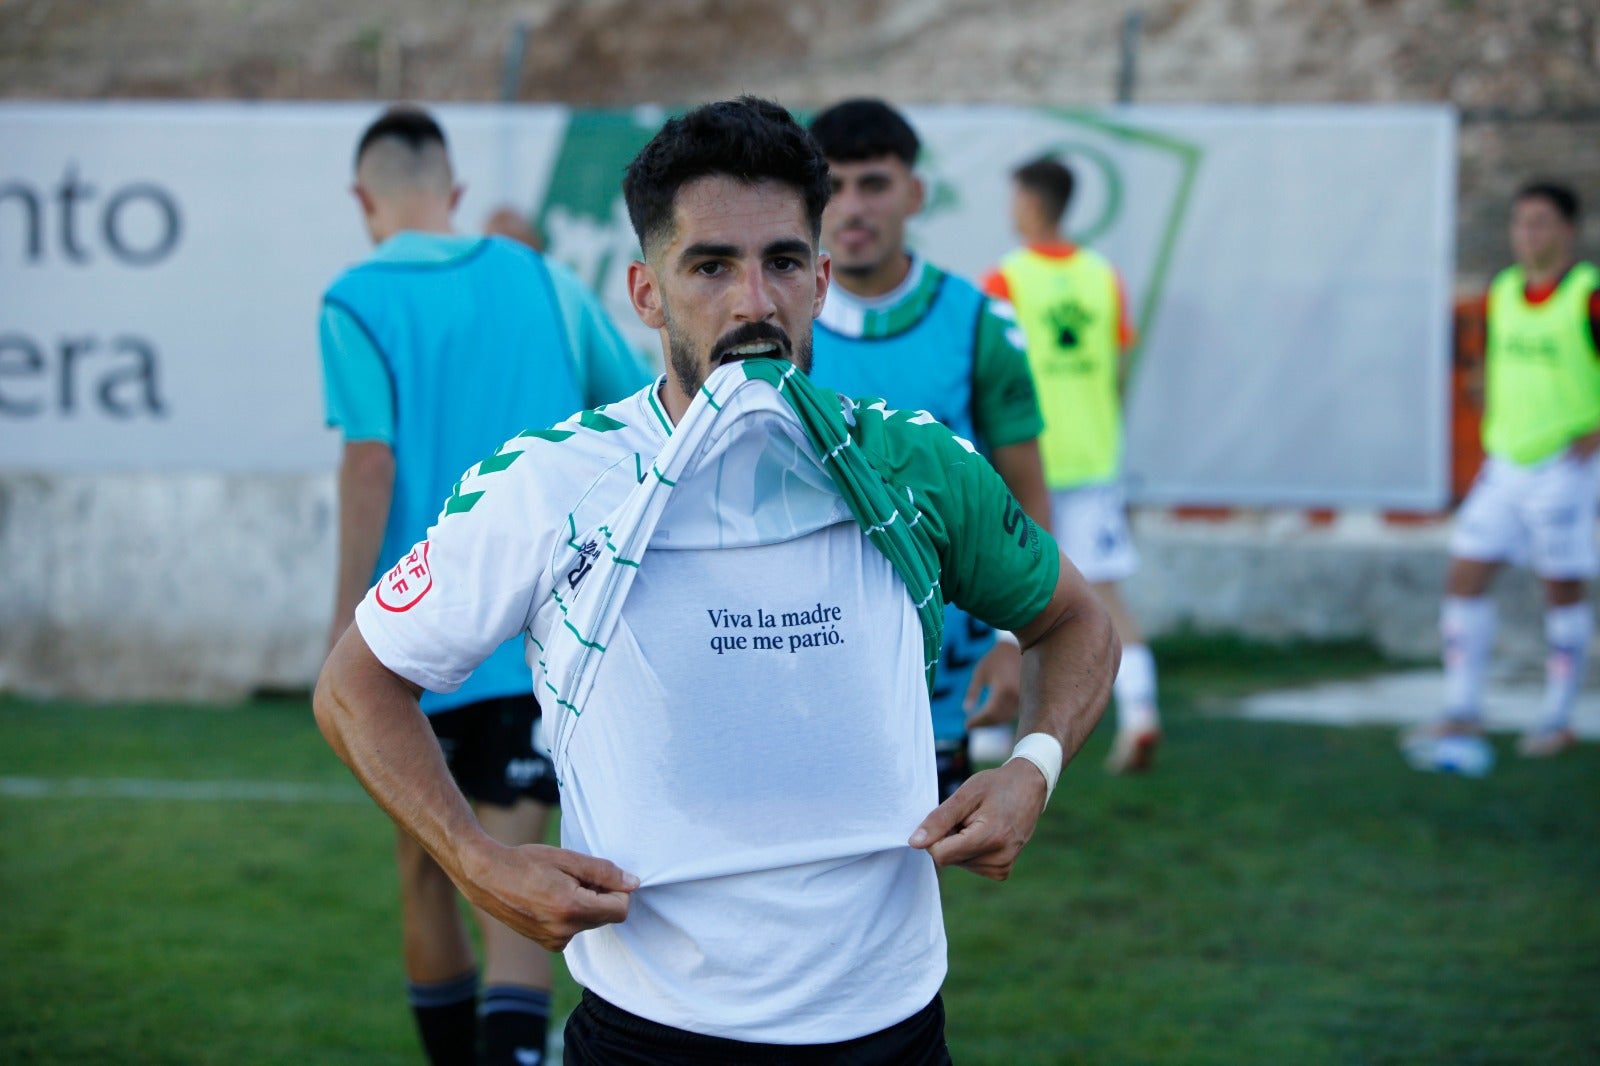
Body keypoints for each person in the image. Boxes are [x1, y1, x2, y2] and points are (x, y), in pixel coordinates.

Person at [315, 96, 1119, 1064]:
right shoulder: (553, 485)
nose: (753, 303)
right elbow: (355, 683)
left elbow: (1076, 620)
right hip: (651, 1040)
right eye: (710, 266)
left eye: (783, 262)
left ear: (820, 281)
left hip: (893, 1036)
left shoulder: (914, 466)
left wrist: (1032, 767)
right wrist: (476, 861)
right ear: (646, 294)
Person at [319, 104, 649, 1066]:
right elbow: (633, 413)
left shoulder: (353, 297)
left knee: (429, 873)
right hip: (536, 637)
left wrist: (347, 630)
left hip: (413, 644)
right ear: (454, 195)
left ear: (362, 198)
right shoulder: (544, 280)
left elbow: (369, 462)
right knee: (516, 868)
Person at [807, 98, 1053, 799]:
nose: (852, 207)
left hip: (944, 671)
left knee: (915, 876)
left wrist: (1018, 643)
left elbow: (1026, 493)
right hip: (806, 652)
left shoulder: (980, 324)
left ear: (915, 193)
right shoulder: (779, 325)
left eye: (874, 184)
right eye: (833, 185)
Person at [1404, 180, 1600, 765]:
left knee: (1561, 587)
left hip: (1566, 465)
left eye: (1540, 222)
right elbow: (1485, 364)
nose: (1527, 233)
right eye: (1520, 221)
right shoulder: (1504, 292)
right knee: (1465, 574)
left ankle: (1559, 717)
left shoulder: (1587, 296)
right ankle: (1462, 709)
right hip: (1505, 463)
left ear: (1567, 229)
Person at [982, 155, 1163, 774]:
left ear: (1031, 204)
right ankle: (1140, 713)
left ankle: (988, 730)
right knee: (1107, 592)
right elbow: (1117, 371)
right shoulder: (1102, 277)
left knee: (1005, 584)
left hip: (1027, 456)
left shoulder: (1005, 281)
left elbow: (990, 377)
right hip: (1092, 457)